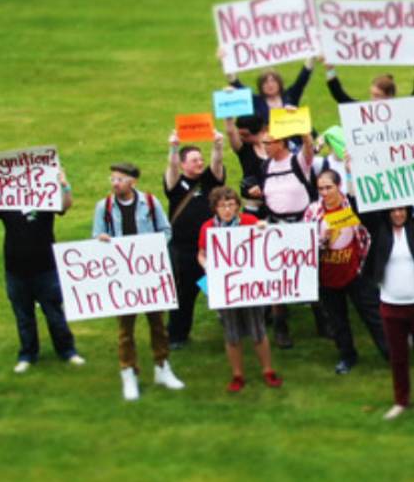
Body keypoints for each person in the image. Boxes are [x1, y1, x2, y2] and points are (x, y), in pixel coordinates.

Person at [359, 157, 414, 420]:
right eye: (393, 210)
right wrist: (354, 176)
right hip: (390, 306)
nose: (398, 213)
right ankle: (401, 401)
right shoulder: (380, 232)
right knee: (398, 359)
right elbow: (358, 209)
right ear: (387, 212)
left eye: (402, 209)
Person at [0, 171, 83, 372]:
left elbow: (65, 205)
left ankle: (67, 351)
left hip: (46, 269)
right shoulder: (6, 202)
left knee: (54, 313)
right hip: (16, 271)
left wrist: (65, 186)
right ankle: (28, 354)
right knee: (23, 317)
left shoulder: (44, 200)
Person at [92, 162, 185, 401]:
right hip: (122, 276)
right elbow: (96, 237)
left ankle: (162, 367)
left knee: (158, 324)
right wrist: (102, 239)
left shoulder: (151, 203)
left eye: (120, 179)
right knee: (125, 329)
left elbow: (165, 230)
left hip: (149, 272)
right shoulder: (103, 207)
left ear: (133, 182)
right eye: (112, 179)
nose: (115, 183)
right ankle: (128, 371)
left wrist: (149, 250)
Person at [196, 187, 280, 393]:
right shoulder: (208, 228)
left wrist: (263, 227)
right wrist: (207, 266)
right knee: (231, 333)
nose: (227, 210)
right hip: (224, 287)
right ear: (215, 208)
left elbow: (268, 240)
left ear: (237, 206)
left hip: (248, 286)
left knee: (258, 331)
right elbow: (202, 253)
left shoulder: (249, 222)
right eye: (222, 205)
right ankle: (237, 373)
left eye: (231, 204)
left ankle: (268, 370)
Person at [304, 170, 387, 375]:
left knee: (373, 314)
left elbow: (368, 234)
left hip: (355, 272)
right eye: (320, 188)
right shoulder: (313, 211)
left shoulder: (351, 208)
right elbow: (305, 243)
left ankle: (390, 353)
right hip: (327, 275)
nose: (324, 192)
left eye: (328, 188)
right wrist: (324, 240)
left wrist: (364, 263)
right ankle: (347, 356)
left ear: (338, 186)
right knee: (337, 320)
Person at [243, 127, 318, 349]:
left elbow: (309, 149)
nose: (264, 147)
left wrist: (303, 131)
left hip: (301, 226)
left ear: (282, 143)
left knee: (308, 275)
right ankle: (280, 327)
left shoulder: (298, 162)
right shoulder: (266, 166)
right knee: (277, 278)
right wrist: (259, 192)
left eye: (268, 143)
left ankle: (322, 320)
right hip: (276, 226)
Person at [163, 130, 227, 349]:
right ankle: (177, 335)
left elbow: (217, 165)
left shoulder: (210, 180)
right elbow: (170, 170)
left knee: (219, 290)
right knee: (184, 296)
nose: (199, 163)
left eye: (201, 159)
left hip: (212, 250)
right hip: (184, 252)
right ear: (182, 165)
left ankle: (234, 331)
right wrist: (173, 148)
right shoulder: (175, 186)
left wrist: (217, 145)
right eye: (194, 160)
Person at [326, 52, 414, 105]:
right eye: (372, 94)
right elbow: (339, 95)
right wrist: (329, 67)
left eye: (378, 95)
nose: (373, 99)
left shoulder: (402, 110)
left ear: (390, 96)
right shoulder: (366, 112)